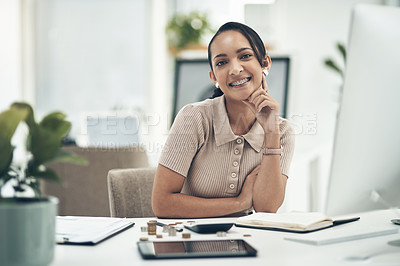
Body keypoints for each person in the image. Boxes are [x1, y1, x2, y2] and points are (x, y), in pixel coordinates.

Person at [152, 22, 294, 218]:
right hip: (190, 240)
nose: (235, 70)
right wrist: (239, 203)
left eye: (245, 56)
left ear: (265, 63)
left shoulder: (283, 131)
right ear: (214, 77)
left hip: (247, 241)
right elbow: (162, 204)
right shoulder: (193, 118)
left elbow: (267, 209)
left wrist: (271, 132)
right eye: (221, 62)